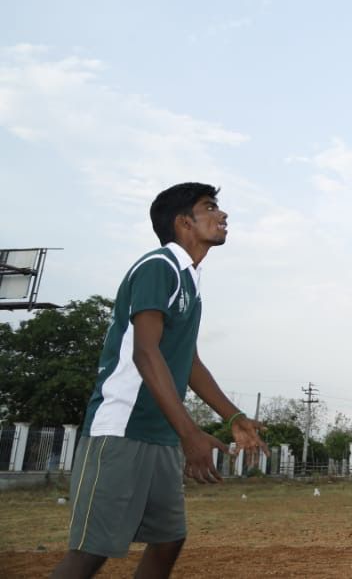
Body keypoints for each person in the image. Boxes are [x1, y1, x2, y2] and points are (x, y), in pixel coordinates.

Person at [53, 183, 266, 578]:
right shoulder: (158, 267)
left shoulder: (191, 281)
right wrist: (191, 434)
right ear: (184, 222)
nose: (222, 215)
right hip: (121, 430)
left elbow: (189, 362)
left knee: (168, 539)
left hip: (162, 435)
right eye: (210, 208)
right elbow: (145, 353)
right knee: (90, 554)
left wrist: (233, 416)